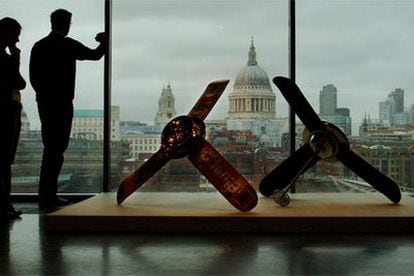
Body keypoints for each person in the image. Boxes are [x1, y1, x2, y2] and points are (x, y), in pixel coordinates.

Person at [29, 9, 107, 208]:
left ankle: (45, 195)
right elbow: (95, 55)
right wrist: (104, 42)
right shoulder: (67, 45)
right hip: (63, 102)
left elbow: (34, 78)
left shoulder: (39, 46)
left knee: (50, 149)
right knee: (58, 149)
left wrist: (44, 94)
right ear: (66, 23)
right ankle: (49, 195)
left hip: (46, 102)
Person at [0, 17, 26, 219]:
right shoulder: (5, 58)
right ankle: (4, 205)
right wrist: (15, 57)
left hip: (8, 111)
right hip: (6, 112)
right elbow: (18, 81)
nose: (17, 39)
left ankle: (5, 205)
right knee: (3, 161)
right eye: (16, 34)